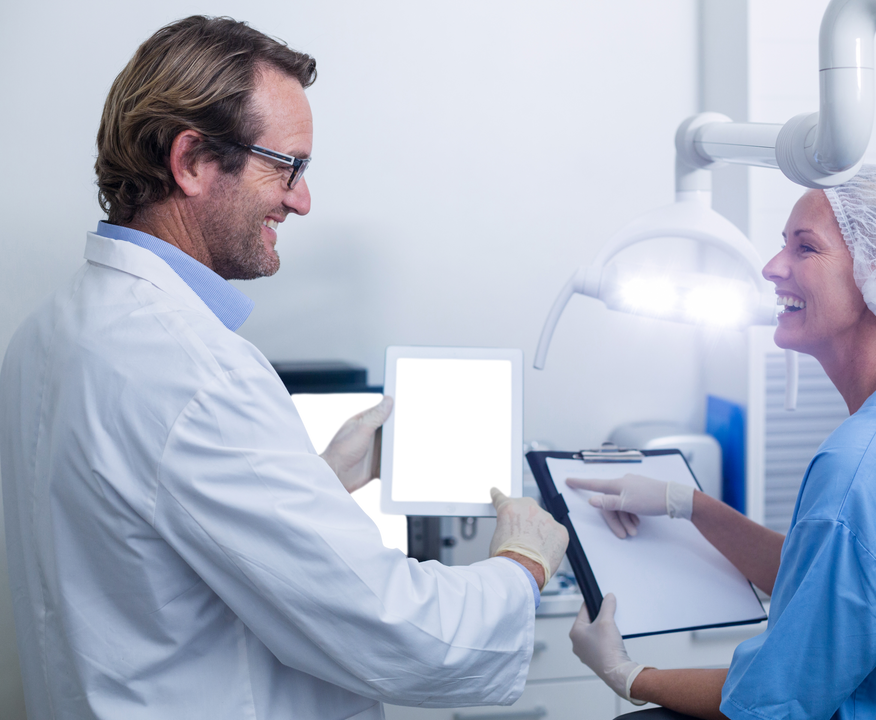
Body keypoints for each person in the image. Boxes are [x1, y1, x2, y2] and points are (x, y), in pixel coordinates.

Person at [0, 16, 567, 720]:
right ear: (193, 160)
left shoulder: (45, 334)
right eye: (286, 165)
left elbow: (146, 557)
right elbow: (398, 631)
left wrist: (318, 484)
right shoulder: (196, 371)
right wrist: (522, 564)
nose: (301, 198)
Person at [566, 165, 876, 719]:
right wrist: (689, 505)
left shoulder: (863, 468)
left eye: (806, 249)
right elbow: (837, 586)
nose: (772, 267)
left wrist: (628, 674)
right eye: (783, 244)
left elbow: (769, 704)